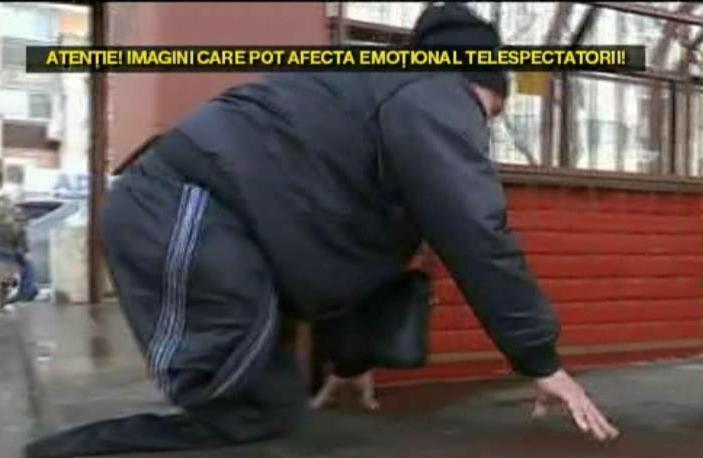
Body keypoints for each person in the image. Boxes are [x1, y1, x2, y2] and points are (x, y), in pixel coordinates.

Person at [24, 4, 619, 457]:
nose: (483, 131)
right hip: (184, 208)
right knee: (240, 408)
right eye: (492, 113)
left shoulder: (377, 103)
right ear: (480, 84)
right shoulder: (434, 97)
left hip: (206, 218)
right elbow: (477, 234)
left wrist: (351, 358)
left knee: (270, 410)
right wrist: (540, 361)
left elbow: (349, 240)